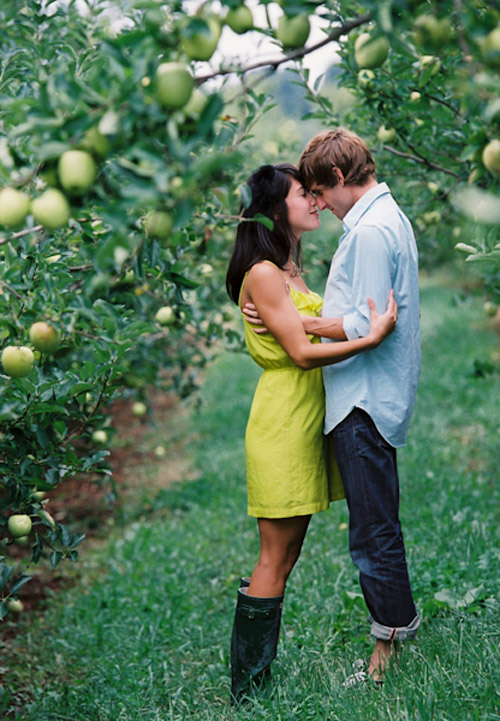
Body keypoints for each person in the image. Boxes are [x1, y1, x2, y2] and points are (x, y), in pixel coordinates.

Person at [225, 162, 398, 703]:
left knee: (290, 550)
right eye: (305, 194)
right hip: (283, 420)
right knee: (275, 556)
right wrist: (370, 339)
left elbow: (307, 327)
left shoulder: (288, 268)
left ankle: (254, 682)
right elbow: (300, 354)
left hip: (306, 417)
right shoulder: (264, 272)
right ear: (277, 208)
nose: (316, 200)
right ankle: (248, 690)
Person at [296, 127, 421, 684]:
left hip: (363, 398)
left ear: (341, 178)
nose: (318, 203)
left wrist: (295, 323)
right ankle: (394, 628)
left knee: (372, 531)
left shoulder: (371, 231)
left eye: (320, 192)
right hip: (369, 393)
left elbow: (365, 324)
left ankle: (389, 647)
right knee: (374, 523)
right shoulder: (381, 219)